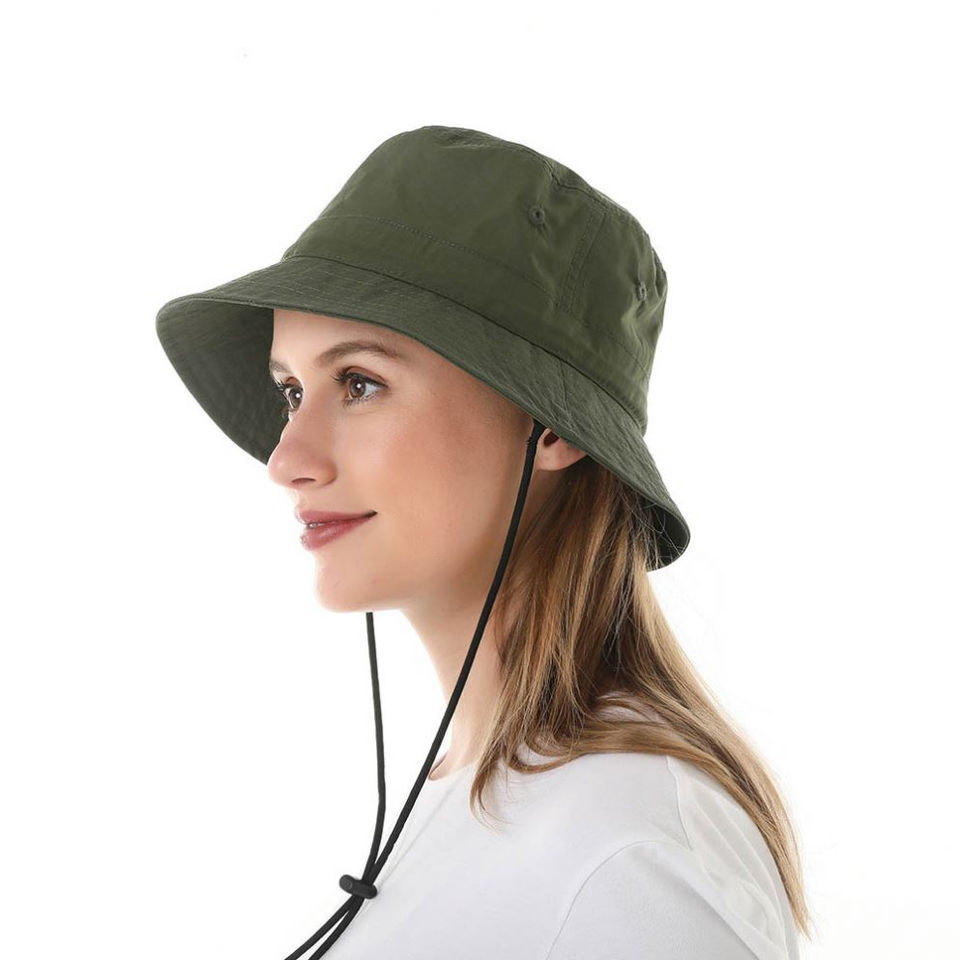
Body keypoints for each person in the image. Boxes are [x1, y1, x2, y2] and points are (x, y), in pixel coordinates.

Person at [156, 124, 810, 958]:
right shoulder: (471, 796)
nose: (287, 461)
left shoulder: (624, 858)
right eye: (291, 391)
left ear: (549, 426)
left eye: (360, 383)